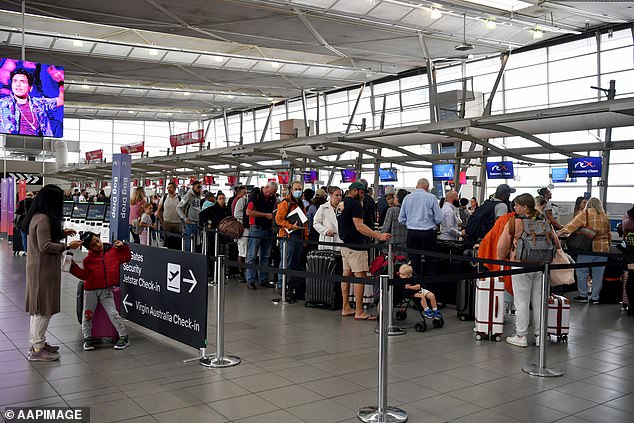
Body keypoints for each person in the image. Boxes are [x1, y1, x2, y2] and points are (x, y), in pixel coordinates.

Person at [24, 184, 82, 361]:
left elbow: (43, 238)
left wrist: (62, 232)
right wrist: (67, 245)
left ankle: (37, 343)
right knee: (44, 308)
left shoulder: (37, 217)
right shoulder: (43, 220)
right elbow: (45, 246)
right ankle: (37, 349)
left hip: (38, 267)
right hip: (43, 269)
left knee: (38, 308)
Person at [497, 193, 560, 347]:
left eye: (517, 205)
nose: (514, 207)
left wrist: (500, 260)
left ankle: (521, 335)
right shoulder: (544, 220)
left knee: (522, 302)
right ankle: (540, 336)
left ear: (525, 207)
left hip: (520, 265)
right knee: (539, 302)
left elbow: (502, 245)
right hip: (541, 266)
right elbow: (556, 243)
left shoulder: (514, 222)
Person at [338, 182, 391, 320]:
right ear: (354, 190)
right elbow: (360, 226)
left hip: (345, 245)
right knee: (359, 277)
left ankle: (345, 307)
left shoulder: (343, 203)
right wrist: (379, 235)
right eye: (362, 193)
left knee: (346, 275)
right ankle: (359, 311)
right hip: (356, 247)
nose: (363, 195)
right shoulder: (355, 204)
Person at [70, 232, 131, 351]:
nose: (98, 245)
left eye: (97, 240)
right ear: (89, 248)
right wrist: (72, 267)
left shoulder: (113, 252)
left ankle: (124, 336)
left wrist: (123, 246)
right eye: (93, 245)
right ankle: (87, 338)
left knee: (114, 314)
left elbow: (127, 257)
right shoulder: (88, 260)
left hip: (106, 291)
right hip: (90, 291)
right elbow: (84, 275)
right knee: (87, 315)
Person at [559, 197, 611, 304]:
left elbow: (571, 226)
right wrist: (608, 246)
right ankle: (595, 297)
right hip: (603, 249)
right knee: (598, 274)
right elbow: (608, 234)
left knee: (582, 272)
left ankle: (583, 295)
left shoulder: (585, 213)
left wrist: (558, 234)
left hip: (587, 248)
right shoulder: (605, 216)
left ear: (588, 204)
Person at [0, 67, 64, 136]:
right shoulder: (2, 104)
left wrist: (61, 81)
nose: (18, 84)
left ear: (30, 88)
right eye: (15, 81)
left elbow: (61, 100)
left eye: (22, 82)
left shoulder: (39, 103)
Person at [399, 178, 442, 277]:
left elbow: (401, 219)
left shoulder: (407, 198)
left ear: (416, 186)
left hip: (412, 233)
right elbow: (439, 218)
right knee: (431, 261)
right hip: (427, 233)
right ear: (427, 187)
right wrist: (432, 223)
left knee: (414, 261)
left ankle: (414, 284)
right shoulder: (431, 197)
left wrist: (410, 223)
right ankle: (428, 287)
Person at [275, 181, 309, 298]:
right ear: (291, 189)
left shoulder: (301, 204)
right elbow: (278, 220)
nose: (298, 191)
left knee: (295, 262)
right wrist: (291, 226)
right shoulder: (285, 203)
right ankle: (281, 285)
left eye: (300, 189)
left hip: (298, 235)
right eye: (296, 189)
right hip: (287, 236)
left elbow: (305, 222)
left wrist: (305, 237)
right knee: (286, 262)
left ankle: (291, 286)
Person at [245, 181, 278, 290]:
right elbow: (248, 212)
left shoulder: (272, 198)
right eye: (270, 193)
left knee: (266, 256)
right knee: (252, 255)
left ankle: (263, 279)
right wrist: (265, 215)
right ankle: (250, 279)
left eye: (273, 194)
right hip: (256, 228)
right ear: (266, 188)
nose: (272, 195)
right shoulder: (255, 195)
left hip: (268, 229)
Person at [313, 186, 343, 251]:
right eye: (337, 195)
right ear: (331, 195)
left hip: (340, 242)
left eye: (340, 195)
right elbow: (316, 223)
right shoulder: (323, 208)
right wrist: (325, 231)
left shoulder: (344, 208)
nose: (339, 197)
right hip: (328, 241)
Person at [177, 180, 202, 252]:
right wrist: (185, 218)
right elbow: (178, 207)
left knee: (195, 244)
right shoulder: (188, 196)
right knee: (189, 243)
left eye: (200, 187)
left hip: (197, 223)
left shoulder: (198, 196)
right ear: (193, 187)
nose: (199, 189)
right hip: (190, 223)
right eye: (198, 187)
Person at [156, 182, 181, 249]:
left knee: (177, 242)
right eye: (168, 187)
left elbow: (183, 210)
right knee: (167, 242)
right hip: (167, 223)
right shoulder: (163, 198)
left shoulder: (179, 198)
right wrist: (162, 221)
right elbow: (158, 211)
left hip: (177, 223)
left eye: (170, 187)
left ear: (175, 189)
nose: (168, 189)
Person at [232, 186, 249, 282]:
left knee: (242, 251)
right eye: (244, 192)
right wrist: (248, 216)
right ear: (240, 193)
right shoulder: (241, 201)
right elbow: (236, 214)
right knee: (242, 252)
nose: (246, 194)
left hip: (239, 229)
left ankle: (242, 272)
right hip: (241, 229)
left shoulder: (235, 200)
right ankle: (241, 273)